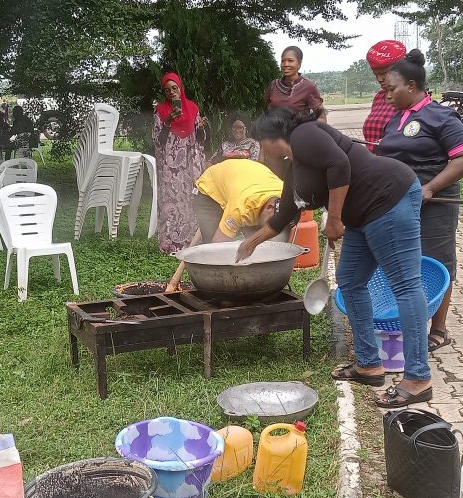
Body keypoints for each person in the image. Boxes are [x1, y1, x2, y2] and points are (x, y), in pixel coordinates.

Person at [237, 108, 433, 408]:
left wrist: (335, 219)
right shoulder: (295, 168)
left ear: (270, 138)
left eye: (261, 143)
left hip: (389, 198)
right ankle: (369, 364)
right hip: (361, 216)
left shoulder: (303, 134)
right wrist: (249, 244)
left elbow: (339, 164)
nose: (261, 151)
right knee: (350, 280)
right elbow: (283, 217)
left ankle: (418, 378)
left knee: (405, 285)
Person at [379, 49, 463, 353]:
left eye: (392, 89)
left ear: (412, 86)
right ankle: (407, 321)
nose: (387, 95)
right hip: (398, 204)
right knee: (404, 262)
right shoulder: (395, 120)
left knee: (438, 261)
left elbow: (460, 160)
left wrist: (429, 188)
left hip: (435, 203)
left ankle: (439, 329)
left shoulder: (441, 117)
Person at [152, 72, 206, 254]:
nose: (171, 92)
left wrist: (200, 128)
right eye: (167, 90)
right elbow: (158, 141)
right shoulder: (160, 110)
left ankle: (193, 244)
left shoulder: (193, 108)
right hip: (170, 168)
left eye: (174, 88)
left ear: (180, 88)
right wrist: (167, 122)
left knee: (191, 200)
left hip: (190, 165)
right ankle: (170, 245)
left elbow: (199, 140)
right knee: (171, 202)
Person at [193, 159, 283, 243]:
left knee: (259, 242)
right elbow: (218, 243)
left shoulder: (286, 194)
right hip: (210, 188)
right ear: (269, 207)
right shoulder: (241, 208)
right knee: (211, 245)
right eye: (270, 223)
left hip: (243, 180)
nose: (272, 228)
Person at [362, 40, 406, 152]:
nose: (379, 79)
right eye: (375, 74)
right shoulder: (379, 97)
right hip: (372, 160)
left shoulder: (410, 98)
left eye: (383, 73)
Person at [265, 46, 324, 114]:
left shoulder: (309, 87)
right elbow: (268, 111)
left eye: (290, 61)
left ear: (299, 63)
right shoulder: (274, 85)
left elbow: (321, 117)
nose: (285, 64)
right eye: (283, 61)